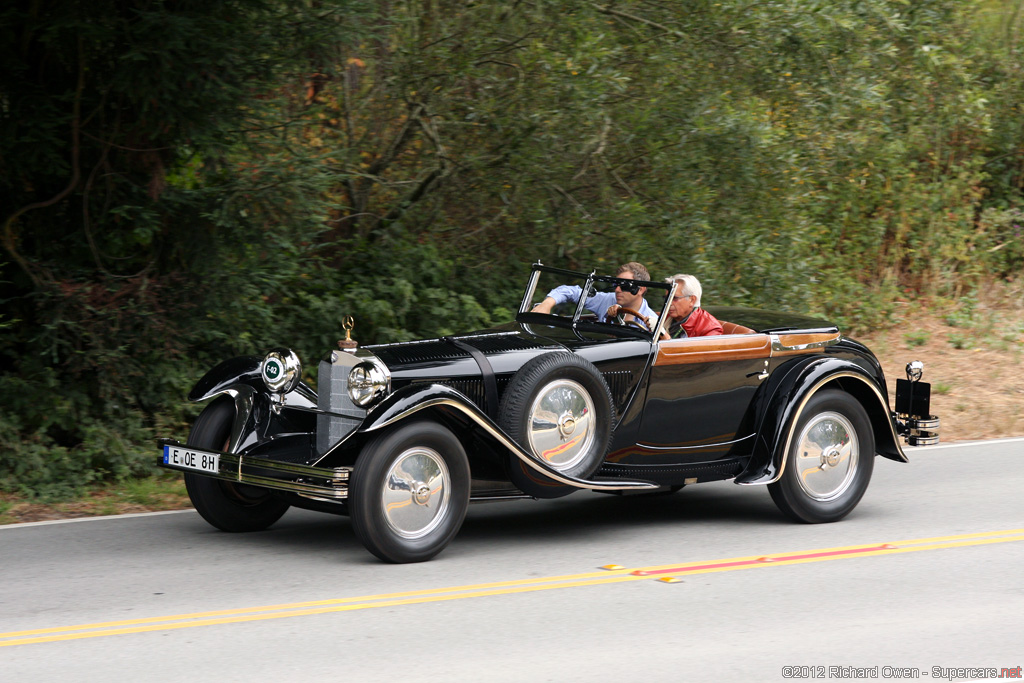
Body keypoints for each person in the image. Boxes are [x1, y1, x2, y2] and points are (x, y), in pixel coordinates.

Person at [532, 261, 658, 329]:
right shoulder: (607, 300)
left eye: (624, 286)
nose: (618, 290)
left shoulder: (652, 321)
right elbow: (573, 292)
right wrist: (547, 304)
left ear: (641, 289)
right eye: (616, 284)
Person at [659, 274, 723, 339]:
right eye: (666, 298)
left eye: (674, 298)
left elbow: (698, 349)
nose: (668, 303)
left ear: (692, 300)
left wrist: (665, 337)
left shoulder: (710, 328)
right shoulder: (665, 317)